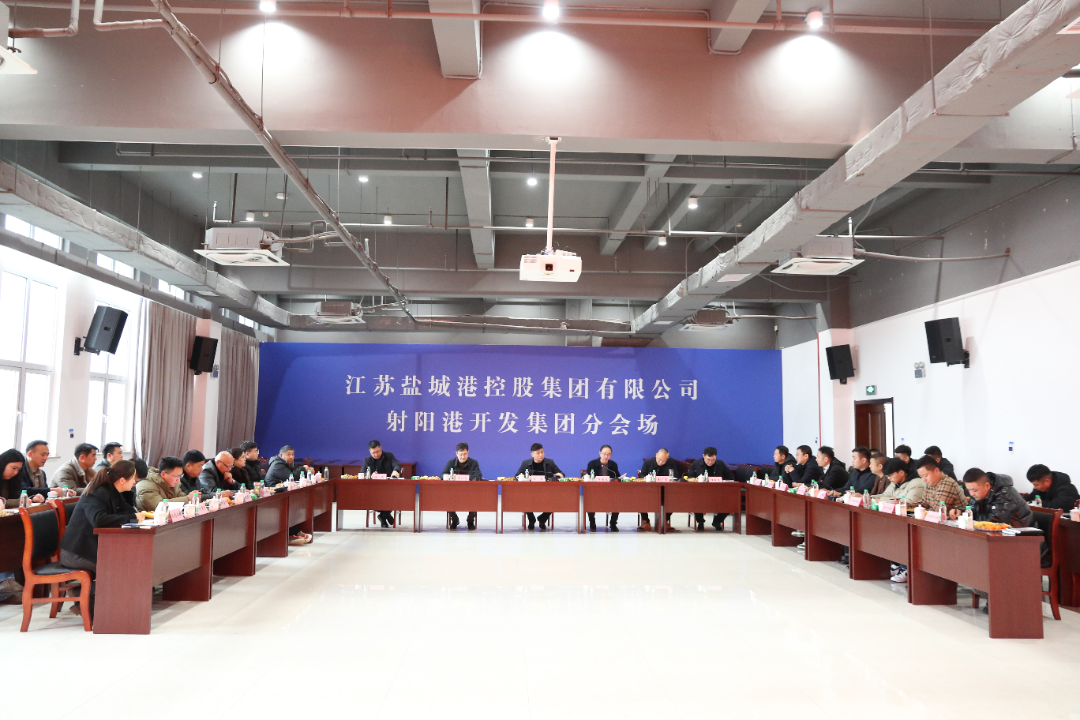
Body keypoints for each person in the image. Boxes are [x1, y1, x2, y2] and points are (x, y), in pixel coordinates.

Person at [58, 460, 143, 618]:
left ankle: (85, 596)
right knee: (119, 570)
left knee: (128, 566)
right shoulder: (97, 492)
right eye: (132, 479)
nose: (134, 483)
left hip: (92, 548)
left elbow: (126, 510)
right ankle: (86, 599)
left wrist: (134, 514)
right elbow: (98, 519)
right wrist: (132, 518)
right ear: (122, 480)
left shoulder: (114, 491)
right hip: (76, 553)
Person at [264, 446, 313, 545]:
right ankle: (293, 534)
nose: (291, 457)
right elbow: (291, 476)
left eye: (293, 454)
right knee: (287, 510)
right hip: (273, 495)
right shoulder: (277, 464)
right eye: (288, 454)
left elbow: (295, 472)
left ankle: (294, 533)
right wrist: (303, 468)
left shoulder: (288, 463)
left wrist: (306, 469)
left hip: (282, 492)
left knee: (294, 509)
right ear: (281, 455)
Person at [954, 468, 1034, 527]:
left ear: (987, 485)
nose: (971, 494)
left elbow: (993, 522)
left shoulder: (1006, 494)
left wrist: (969, 516)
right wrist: (961, 512)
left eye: (974, 490)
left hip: (1024, 536)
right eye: (969, 490)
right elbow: (973, 511)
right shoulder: (978, 494)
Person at [513, 443, 564, 530]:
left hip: (547, 491)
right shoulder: (526, 463)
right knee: (524, 498)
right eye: (538, 453)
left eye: (542, 452)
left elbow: (561, 474)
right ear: (532, 454)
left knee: (556, 498)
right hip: (530, 491)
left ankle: (542, 519)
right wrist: (525, 477)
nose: (541, 455)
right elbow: (516, 476)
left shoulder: (550, 463)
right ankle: (531, 519)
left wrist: (559, 476)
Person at [688, 446, 733, 531]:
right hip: (700, 492)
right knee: (695, 500)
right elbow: (690, 477)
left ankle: (717, 521)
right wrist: (697, 480)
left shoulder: (720, 464)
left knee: (730, 503)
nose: (710, 462)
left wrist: (724, 481)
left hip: (717, 492)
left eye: (713, 460)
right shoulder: (696, 463)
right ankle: (700, 522)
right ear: (703, 456)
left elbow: (730, 477)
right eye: (708, 459)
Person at [360, 440, 401, 528]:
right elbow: (362, 473)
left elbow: (397, 465)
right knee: (378, 497)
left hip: (389, 487)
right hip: (374, 489)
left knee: (392, 495)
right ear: (370, 451)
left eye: (378, 451)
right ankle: (386, 515)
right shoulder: (367, 460)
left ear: (381, 448)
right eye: (373, 453)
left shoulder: (389, 456)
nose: (376, 454)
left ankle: (382, 517)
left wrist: (395, 471)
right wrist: (370, 475)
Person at [442, 442, 483, 530]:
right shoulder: (451, 462)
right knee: (447, 498)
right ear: (456, 453)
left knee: (475, 498)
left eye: (465, 454)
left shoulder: (473, 463)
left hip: (470, 491)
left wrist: (461, 477)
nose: (463, 457)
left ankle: (470, 520)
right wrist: (450, 476)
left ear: (468, 452)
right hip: (453, 491)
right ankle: (454, 519)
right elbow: (443, 475)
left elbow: (478, 475)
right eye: (460, 454)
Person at [640, 448, 680, 531]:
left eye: (664, 461)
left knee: (674, 499)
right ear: (656, 455)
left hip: (666, 490)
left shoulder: (671, 462)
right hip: (650, 490)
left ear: (667, 458)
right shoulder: (648, 462)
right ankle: (645, 521)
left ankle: (665, 520)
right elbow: (642, 476)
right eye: (659, 459)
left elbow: (676, 476)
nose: (661, 462)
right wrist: (649, 478)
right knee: (640, 498)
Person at [585, 444, 620, 532]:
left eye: (608, 454)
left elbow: (617, 477)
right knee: (589, 499)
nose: (606, 456)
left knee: (618, 499)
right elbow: (588, 477)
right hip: (595, 491)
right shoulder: (592, 464)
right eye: (604, 454)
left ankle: (613, 523)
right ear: (600, 453)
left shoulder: (613, 465)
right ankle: (592, 523)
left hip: (610, 491)